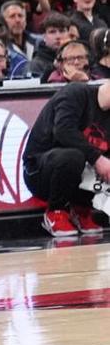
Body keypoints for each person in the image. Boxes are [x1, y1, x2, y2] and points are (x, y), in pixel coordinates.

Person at [22, 80, 110, 237]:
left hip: (80, 174)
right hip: (40, 170)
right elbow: (63, 131)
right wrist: (97, 159)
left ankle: (81, 210)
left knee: (94, 160)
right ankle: (55, 211)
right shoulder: (75, 93)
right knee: (75, 156)